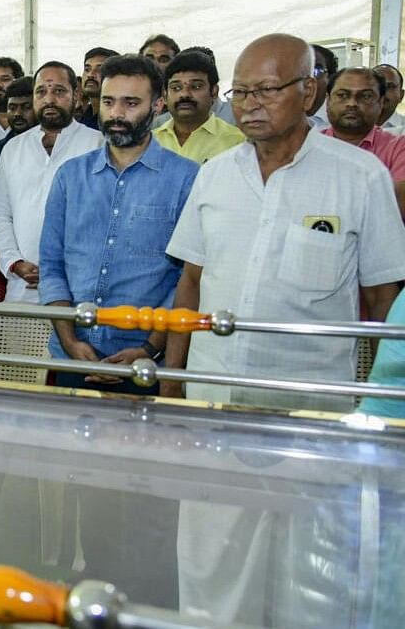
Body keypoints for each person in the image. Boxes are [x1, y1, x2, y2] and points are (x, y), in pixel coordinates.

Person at [164, 33, 405, 412]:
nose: (250, 105)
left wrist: (385, 401)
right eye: (240, 93)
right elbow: (191, 281)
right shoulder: (215, 175)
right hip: (212, 387)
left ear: (308, 92)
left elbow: (381, 297)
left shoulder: (361, 177)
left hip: (309, 397)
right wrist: (173, 377)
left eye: (266, 90)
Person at [40, 54, 198, 394]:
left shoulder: (186, 179)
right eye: (108, 102)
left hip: (145, 361)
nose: (116, 114)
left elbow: (188, 278)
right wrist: (69, 340)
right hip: (72, 356)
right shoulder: (70, 176)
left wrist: (149, 348)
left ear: (157, 106)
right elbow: (52, 266)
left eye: (131, 103)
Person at [0, 62, 103, 303]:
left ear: (76, 94)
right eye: (41, 91)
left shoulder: (98, 145)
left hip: (78, 288)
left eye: (59, 91)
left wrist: (60, 269)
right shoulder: (13, 149)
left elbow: (103, 220)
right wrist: (14, 262)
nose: (49, 99)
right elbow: (1, 215)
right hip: (22, 286)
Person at [152, 50, 246, 164]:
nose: (185, 94)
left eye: (196, 86)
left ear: (214, 92)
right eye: (176, 88)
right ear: (165, 95)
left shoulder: (236, 142)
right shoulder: (149, 142)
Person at [321, 67, 405, 181]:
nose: (352, 103)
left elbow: (398, 197)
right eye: (342, 95)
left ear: (380, 103)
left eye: (365, 96)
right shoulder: (307, 146)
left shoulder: (397, 148)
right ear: (328, 100)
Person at [79, 47, 118, 130]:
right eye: (87, 69)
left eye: (100, 70)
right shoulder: (86, 116)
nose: (90, 74)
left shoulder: (116, 120)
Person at [306, 43, 337, 128]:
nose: (306, 77)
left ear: (330, 78)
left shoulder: (340, 119)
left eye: (315, 70)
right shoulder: (278, 117)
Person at [373, 63, 405, 134]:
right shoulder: (350, 126)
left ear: (401, 95)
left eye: (389, 87)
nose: (382, 92)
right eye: (377, 86)